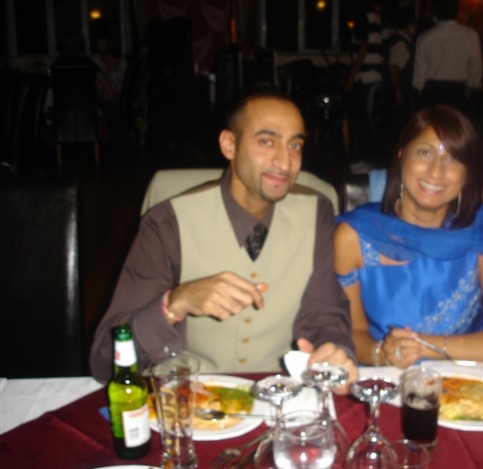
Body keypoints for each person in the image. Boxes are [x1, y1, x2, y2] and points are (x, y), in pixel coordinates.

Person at [89, 92, 358, 392]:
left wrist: (334, 351)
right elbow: (104, 361)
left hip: (279, 393)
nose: (285, 162)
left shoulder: (316, 214)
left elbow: (323, 315)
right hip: (189, 397)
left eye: (294, 145)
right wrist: (175, 302)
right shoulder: (168, 223)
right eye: (267, 141)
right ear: (229, 145)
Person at [333, 106, 483, 368]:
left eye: (453, 159)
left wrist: (422, 347)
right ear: (402, 155)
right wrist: (381, 354)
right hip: (381, 379)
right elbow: (351, 332)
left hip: (463, 380)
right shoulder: (353, 235)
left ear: (467, 174)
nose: (436, 172)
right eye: (425, 152)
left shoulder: (482, 233)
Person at [411, 0, 483, 111]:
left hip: (431, 90)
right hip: (457, 90)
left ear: (437, 11)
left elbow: (419, 73)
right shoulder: (471, 35)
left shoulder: (425, 37)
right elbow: (476, 66)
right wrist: (471, 86)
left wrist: (421, 93)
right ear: (457, 11)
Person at [344, 0, 386, 167]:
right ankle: (369, 160)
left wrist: (351, 77)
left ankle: (368, 161)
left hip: (365, 77)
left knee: (363, 121)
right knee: (369, 121)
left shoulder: (363, 18)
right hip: (374, 76)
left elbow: (363, 49)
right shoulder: (376, 18)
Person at [382, 6, 417, 160]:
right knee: (397, 129)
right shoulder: (400, 43)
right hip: (398, 92)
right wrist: (398, 91)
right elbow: (393, 67)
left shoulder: (404, 41)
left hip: (400, 91)